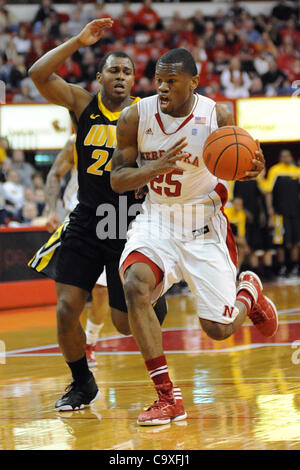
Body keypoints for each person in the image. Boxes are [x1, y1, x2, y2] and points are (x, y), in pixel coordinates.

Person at [110, 47, 278, 426]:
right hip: (157, 220)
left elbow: (244, 161)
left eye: (171, 81)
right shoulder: (134, 116)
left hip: (203, 223)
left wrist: (252, 166)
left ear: (193, 82)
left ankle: (248, 290)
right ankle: (167, 397)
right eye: (158, 80)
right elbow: (117, 180)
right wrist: (151, 169)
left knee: (217, 330)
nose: (163, 88)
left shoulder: (216, 115)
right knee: (134, 287)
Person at [28, 18, 167, 412]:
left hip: (129, 221)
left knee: (124, 324)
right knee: (66, 307)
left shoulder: (145, 114)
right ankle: (82, 383)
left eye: (127, 71)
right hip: (88, 218)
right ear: (100, 76)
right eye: (114, 70)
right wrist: (79, 39)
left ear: (134, 80)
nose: (121, 76)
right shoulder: (82, 104)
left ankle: (154, 295)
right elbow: (38, 74)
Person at [29, 134, 109, 368]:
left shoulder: (126, 130)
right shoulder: (77, 139)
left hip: (110, 221)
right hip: (78, 219)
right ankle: (77, 342)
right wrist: (51, 209)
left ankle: (91, 344)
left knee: (102, 290)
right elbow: (54, 173)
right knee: (71, 294)